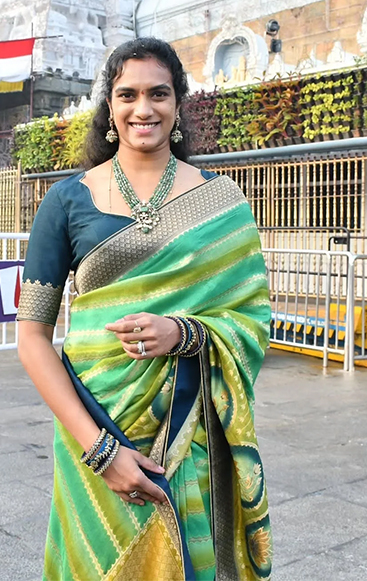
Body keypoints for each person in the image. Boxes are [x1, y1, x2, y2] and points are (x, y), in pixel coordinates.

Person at [17, 38, 272, 581]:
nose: (143, 108)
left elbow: (252, 321)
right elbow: (32, 336)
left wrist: (183, 332)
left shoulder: (222, 202)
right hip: (93, 424)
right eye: (127, 94)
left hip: (188, 431)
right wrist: (100, 451)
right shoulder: (66, 201)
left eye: (159, 93)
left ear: (178, 104)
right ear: (109, 107)